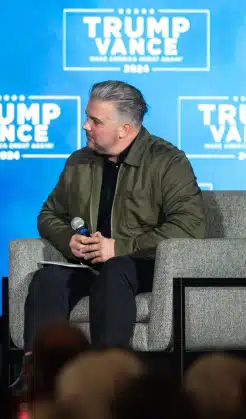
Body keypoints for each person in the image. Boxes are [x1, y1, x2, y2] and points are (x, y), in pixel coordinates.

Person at [24, 80, 204, 354]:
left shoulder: (168, 162)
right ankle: (38, 377)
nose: (85, 126)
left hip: (143, 266)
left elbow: (189, 228)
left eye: (95, 121)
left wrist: (119, 247)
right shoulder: (79, 161)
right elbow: (49, 214)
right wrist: (68, 240)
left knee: (115, 270)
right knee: (47, 280)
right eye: (87, 117)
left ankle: (107, 376)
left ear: (125, 129)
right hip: (88, 266)